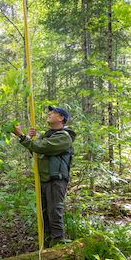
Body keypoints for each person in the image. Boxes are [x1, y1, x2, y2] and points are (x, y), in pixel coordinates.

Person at [13, 106, 76, 248]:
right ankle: (46, 248)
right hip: (44, 180)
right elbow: (34, 151)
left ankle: (58, 251)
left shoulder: (64, 137)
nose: (49, 113)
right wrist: (28, 137)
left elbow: (40, 147)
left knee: (54, 215)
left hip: (56, 179)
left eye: (53, 113)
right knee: (44, 216)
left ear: (61, 118)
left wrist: (22, 136)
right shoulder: (49, 135)